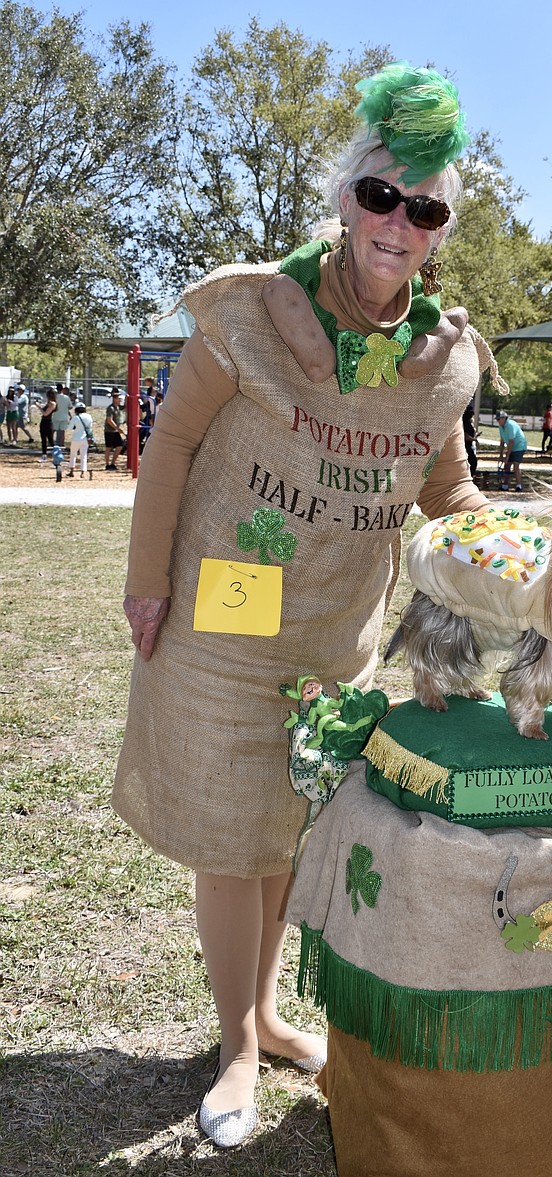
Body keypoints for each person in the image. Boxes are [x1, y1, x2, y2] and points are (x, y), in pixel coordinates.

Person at [111, 63, 501, 1148]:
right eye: (381, 196)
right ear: (344, 199)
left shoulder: (439, 363)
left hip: (334, 637)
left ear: (438, 233)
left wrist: (521, 543)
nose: (397, 224)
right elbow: (174, 442)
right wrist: (147, 577)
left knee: (285, 828)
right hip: (218, 630)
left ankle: (271, 1017)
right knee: (229, 841)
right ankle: (236, 1044)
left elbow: (449, 491)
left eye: (423, 210)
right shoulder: (248, 315)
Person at [496, 409, 527, 491]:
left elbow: (511, 441)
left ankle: (519, 486)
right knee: (507, 466)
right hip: (512, 447)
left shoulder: (510, 425)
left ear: (503, 418)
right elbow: (502, 441)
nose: (497, 421)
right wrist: (501, 455)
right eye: (497, 419)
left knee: (515, 466)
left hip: (519, 446)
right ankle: (505, 486)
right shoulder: (500, 426)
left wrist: (507, 455)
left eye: (498, 419)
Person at [68, 404, 94, 478]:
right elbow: (90, 427)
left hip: (76, 438)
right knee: (84, 455)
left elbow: (70, 428)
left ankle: (72, 471)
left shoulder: (75, 417)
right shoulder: (89, 416)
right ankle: (83, 472)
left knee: (73, 454)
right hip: (85, 439)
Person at [104, 390, 126, 470]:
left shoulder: (119, 407)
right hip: (109, 431)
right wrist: (117, 428)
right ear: (114, 399)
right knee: (108, 447)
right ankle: (107, 464)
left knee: (119, 446)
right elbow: (109, 420)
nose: (120, 400)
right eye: (119, 398)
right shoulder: (111, 408)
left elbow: (126, 406)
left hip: (115, 431)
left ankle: (113, 463)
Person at [37, 388, 57, 459]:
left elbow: (45, 413)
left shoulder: (53, 403)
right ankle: (44, 454)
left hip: (48, 422)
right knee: (43, 439)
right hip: (43, 421)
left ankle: (56, 453)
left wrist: (39, 407)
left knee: (50, 439)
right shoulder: (48, 403)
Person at [462, 399, 478, 475]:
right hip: (466, 447)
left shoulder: (468, 423)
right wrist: (475, 440)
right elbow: (466, 436)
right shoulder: (464, 423)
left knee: (473, 462)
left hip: (469, 446)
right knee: (472, 462)